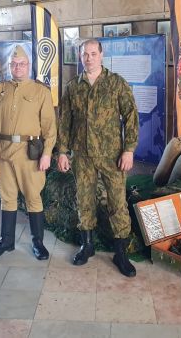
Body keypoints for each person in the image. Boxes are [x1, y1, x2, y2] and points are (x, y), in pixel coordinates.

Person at [57, 39, 139, 277]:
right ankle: (87, 245)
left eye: (93, 54)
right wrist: (62, 151)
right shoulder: (73, 86)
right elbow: (64, 122)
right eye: (85, 54)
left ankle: (121, 253)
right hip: (82, 155)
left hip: (112, 155)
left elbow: (131, 116)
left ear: (102, 55)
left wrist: (129, 149)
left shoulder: (116, 84)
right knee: (84, 199)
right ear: (80, 57)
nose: (89, 58)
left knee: (117, 202)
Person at [0, 45, 56, 260]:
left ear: (29, 66)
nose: (18, 67)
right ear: (9, 66)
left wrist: (47, 153)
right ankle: (6, 241)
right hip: (3, 152)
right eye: (14, 64)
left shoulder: (40, 91)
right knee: (7, 198)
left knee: (33, 197)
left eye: (22, 64)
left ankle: (38, 243)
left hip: (29, 153)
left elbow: (50, 126)